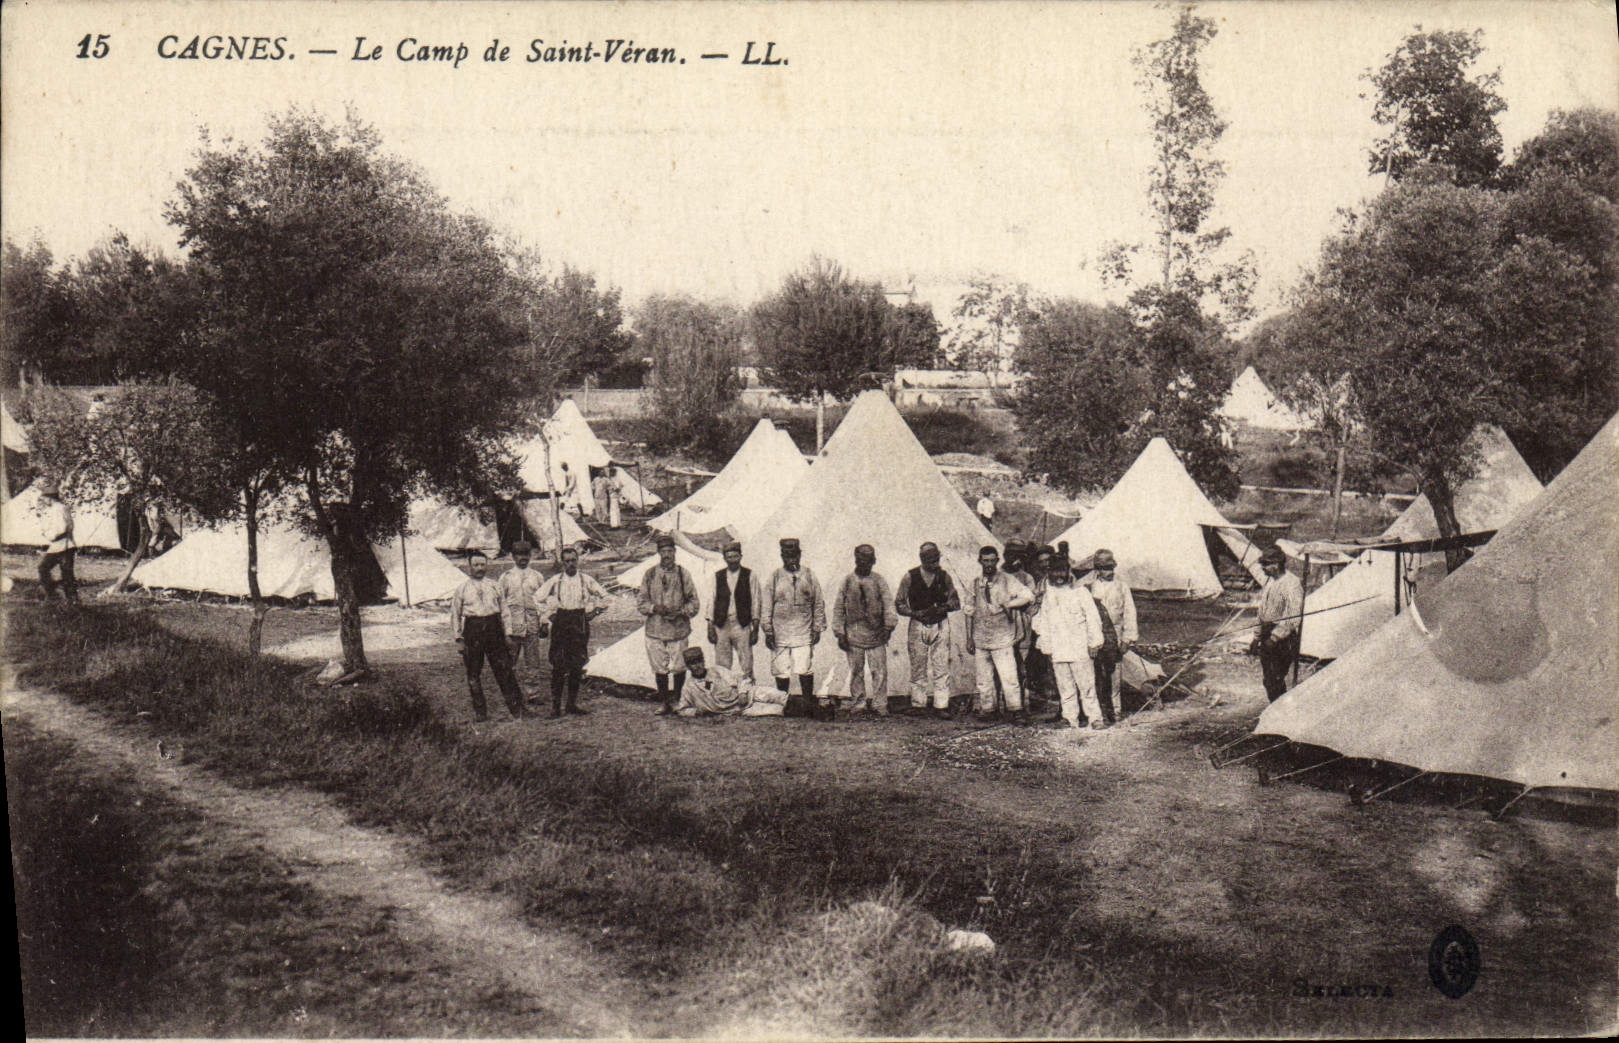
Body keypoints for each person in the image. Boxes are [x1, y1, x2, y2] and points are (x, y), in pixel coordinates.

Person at [451, 551, 528, 722]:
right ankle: (481, 713)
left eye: (482, 564)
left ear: (487, 565)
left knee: (504, 670)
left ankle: (517, 710)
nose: (480, 568)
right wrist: (459, 639)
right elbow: (455, 615)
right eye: (476, 565)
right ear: (469, 566)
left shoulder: (495, 586)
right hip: (473, 631)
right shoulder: (462, 588)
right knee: (473, 674)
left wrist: (508, 633)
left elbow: (505, 612)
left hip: (494, 630)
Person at [1031, 557, 1107, 729]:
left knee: (1087, 685)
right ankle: (1069, 718)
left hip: (1079, 648)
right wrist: (1047, 646)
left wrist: (1094, 643)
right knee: (1065, 687)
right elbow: (1043, 623)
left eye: (1062, 571)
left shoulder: (1081, 593)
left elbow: (1093, 619)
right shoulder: (1049, 596)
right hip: (1059, 649)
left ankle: (1095, 718)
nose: (1059, 575)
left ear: (1068, 572)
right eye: (1055, 571)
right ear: (1049, 573)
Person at [538, 545, 610, 717]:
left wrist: (595, 611)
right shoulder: (556, 581)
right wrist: (549, 614)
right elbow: (537, 598)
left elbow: (605, 596)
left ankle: (571, 704)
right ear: (562, 563)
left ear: (578, 561)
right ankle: (556, 707)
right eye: (567, 561)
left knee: (577, 665)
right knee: (558, 664)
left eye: (573, 560)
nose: (571, 564)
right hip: (561, 622)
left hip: (579, 622)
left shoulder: (586, 580)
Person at [964, 545, 1034, 722]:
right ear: (980, 561)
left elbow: (1028, 596)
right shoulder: (974, 583)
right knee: (984, 677)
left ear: (997, 561)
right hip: (981, 636)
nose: (988, 564)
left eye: (992, 560)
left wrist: (1009, 604)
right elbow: (969, 611)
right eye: (985, 560)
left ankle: (1015, 709)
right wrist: (969, 637)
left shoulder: (1007, 580)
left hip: (1002, 636)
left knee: (1008, 675)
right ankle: (989, 709)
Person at [894, 542, 961, 719]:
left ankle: (941, 704)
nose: (935, 563)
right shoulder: (910, 577)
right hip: (918, 623)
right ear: (922, 559)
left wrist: (943, 607)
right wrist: (914, 612)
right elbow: (899, 603)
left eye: (936, 559)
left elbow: (956, 602)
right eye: (930, 560)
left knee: (941, 665)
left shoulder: (944, 576)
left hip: (940, 623)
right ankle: (918, 704)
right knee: (918, 665)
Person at [760, 537, 826, 714]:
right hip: (780, 631)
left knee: (804, 667)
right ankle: (784, 705)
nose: (792, 559)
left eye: (795, 555)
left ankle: (807, 704)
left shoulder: (809, 575)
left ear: (800, 555)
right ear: (782, 556)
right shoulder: (775, 577)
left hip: (803, 630)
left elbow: (818, 602)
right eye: (787, 555)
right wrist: (768, 630)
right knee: (781, 669)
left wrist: (817, 627)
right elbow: (766, 604)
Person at [832, 544, 898, 717]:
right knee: (856, 671)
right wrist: (840, 633)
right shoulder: (847, 581)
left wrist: (888, 627)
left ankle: (880, 703)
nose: (864, 563)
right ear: (855, 559)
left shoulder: (879, 581)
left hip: (876, 634)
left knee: (879, 671)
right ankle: (858, 702)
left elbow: (888, 604)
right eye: (861, 559)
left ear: (873, 561)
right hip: (853, 633)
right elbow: (839, 608)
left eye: (868, 560)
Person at [639, 533, 701, 715]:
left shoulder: (683, 574)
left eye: (670, 551)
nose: (667, 555)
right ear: (658, 553)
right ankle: (665, 702)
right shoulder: (650, 574)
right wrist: (653, 608)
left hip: (678, 630)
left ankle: (677, 700)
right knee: (659, 668)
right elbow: (641, 602)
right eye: (663, 551)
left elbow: (694, 602)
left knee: (679, 666)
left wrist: (681, 612)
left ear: (675, 552)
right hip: (655, 629)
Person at [1084, 548, 1137, 726]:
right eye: (1105, 568)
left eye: (1111, 567)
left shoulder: (1122, 586)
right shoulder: (1088, 586)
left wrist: (1128, 638)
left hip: (1116, 632)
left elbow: (1130, 612)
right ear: (1097, 569)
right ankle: (1099, 710)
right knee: (1096, 673)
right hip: (1095, 633)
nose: (1109, 571)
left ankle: (1116, 710)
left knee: (1114, 673)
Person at [674, 646, 789, 717]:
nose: (697, 666)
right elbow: (682, 709)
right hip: (739, 709)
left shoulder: (717, 671)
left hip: (749, 694)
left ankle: (805, 705)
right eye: (693, 663)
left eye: (699, 661)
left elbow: (741, 679)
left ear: (703, 661)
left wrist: (742, 693)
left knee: (779, 696)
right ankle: (803, 710)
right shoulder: (688, 687)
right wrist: (695, 712)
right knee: (778, 710)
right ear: (688, 667)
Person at [1253, 545, 1304, 701]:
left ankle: (1282, 713)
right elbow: (1262, 612)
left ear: (1276, 565)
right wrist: (1256, 637)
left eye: (1265, 565)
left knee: (1276, 679)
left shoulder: (1292, 583)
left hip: (1282, 639)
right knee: (1268, 680)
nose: (1262, 569)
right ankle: (1275, 710)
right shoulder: (1270, 582)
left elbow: (1293, 615)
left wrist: (1275, 638)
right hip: (1267, 633)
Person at [706, 540, 761, 684]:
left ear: (741, 557)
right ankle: (726, 691)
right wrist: (710, 626)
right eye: (729, 557)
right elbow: (711, 601)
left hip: (741, 624)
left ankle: (749, 690)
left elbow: (756, 601)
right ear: (724, 558)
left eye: (735, 557)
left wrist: (755, 628)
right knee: (722, 663)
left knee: (746, 661)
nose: (732, 561)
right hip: (721, 624)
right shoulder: (717, 576)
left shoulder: (750, 575)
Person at [499, 540, 547, 699]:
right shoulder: (506, 577)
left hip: (532, 624)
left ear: (530, 555)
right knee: (509, 661)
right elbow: (501, 603)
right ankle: (510, 694)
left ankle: (533, 694)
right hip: (513, 626)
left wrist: (544, 622)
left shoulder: (537, 577)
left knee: (532, 662)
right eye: (519, 555)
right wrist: (504, 628)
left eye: (526, 554)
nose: (523, 558)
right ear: (513, 556)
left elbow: (543, 601)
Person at [35, 480, 77, 604]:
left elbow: (62, 528)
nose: (43, 500)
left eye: (45, 498)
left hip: (64, 545)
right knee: (44, 568)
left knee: (65, 573)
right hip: (58, 546)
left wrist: (49, 534)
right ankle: (54, 593)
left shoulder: (59, 509)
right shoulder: (57, 508)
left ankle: (71, 600)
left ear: (50, 498)